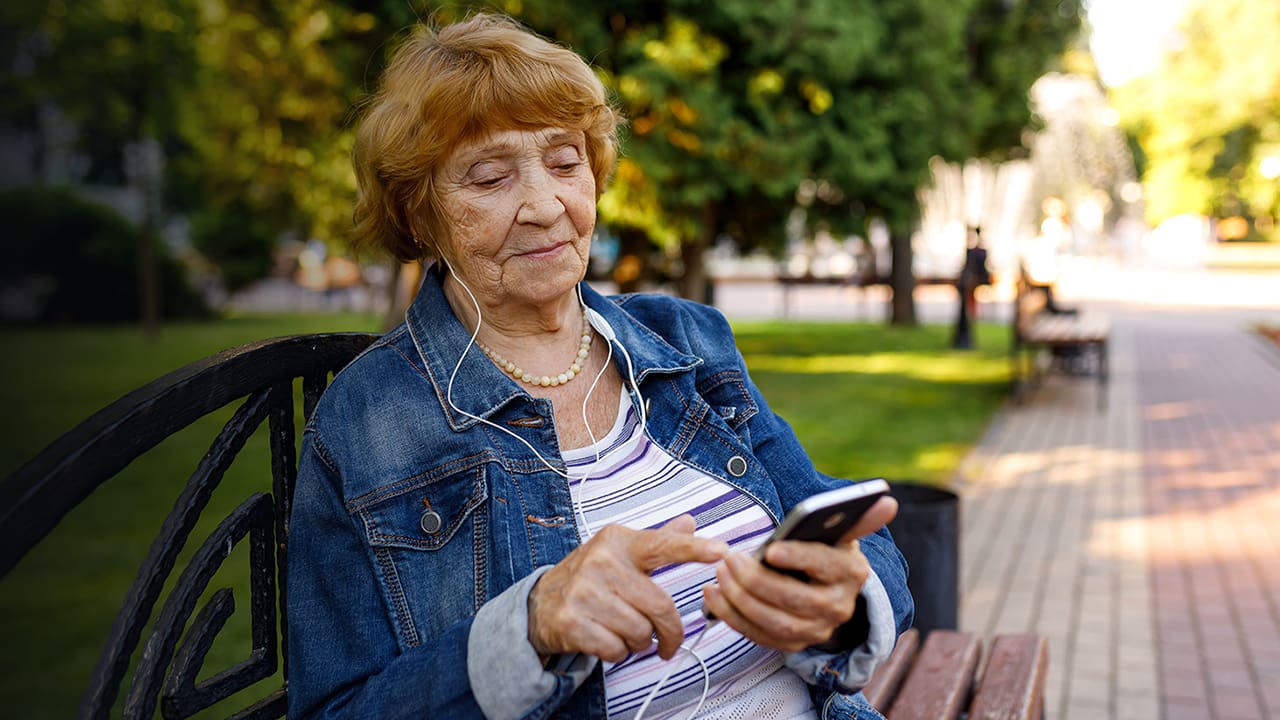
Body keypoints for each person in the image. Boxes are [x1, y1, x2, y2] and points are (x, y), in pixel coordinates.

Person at [287, 13, 912, 720]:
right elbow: (333, 708)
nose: (546, 204)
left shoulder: (687, 339)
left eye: (565, 162)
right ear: (420, 210)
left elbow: (857, 543)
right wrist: (528, 629)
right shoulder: (371, 420)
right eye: (490, 177)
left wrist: (840, 601)